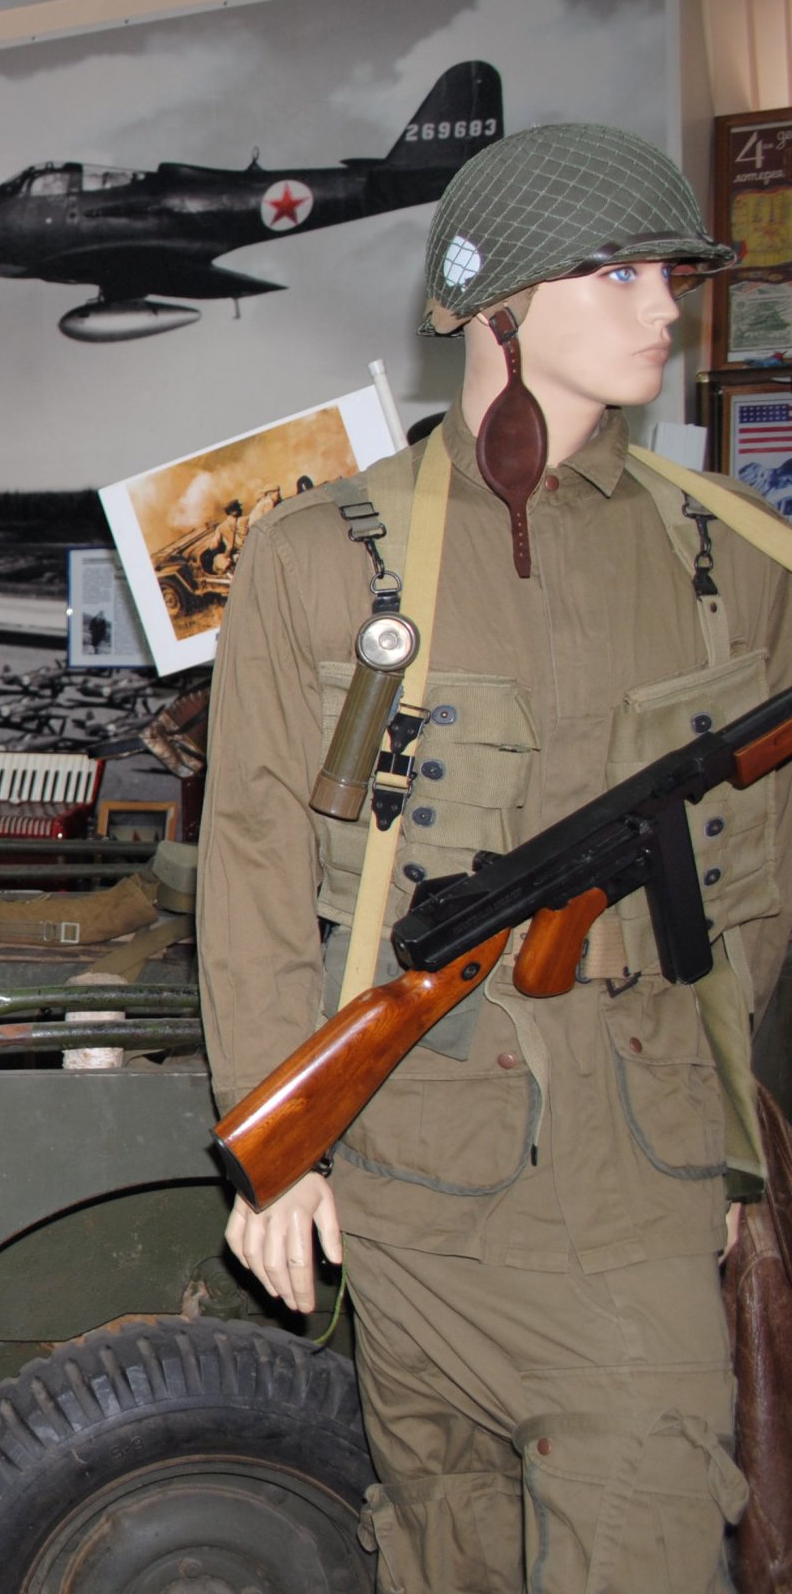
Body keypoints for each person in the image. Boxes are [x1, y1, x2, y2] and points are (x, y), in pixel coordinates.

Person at [201, 123, 788, 1592]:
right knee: (439, 1542)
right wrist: (279, 1153)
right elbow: (256, 865)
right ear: (499, 303)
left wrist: (721, 1125)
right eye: (623, 272)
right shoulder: (321, 554)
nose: (666, 307)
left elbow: (760, 885)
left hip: (632, 1185)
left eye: (675, 276)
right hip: (403, 1174)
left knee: (642, 1533)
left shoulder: (737, 561)